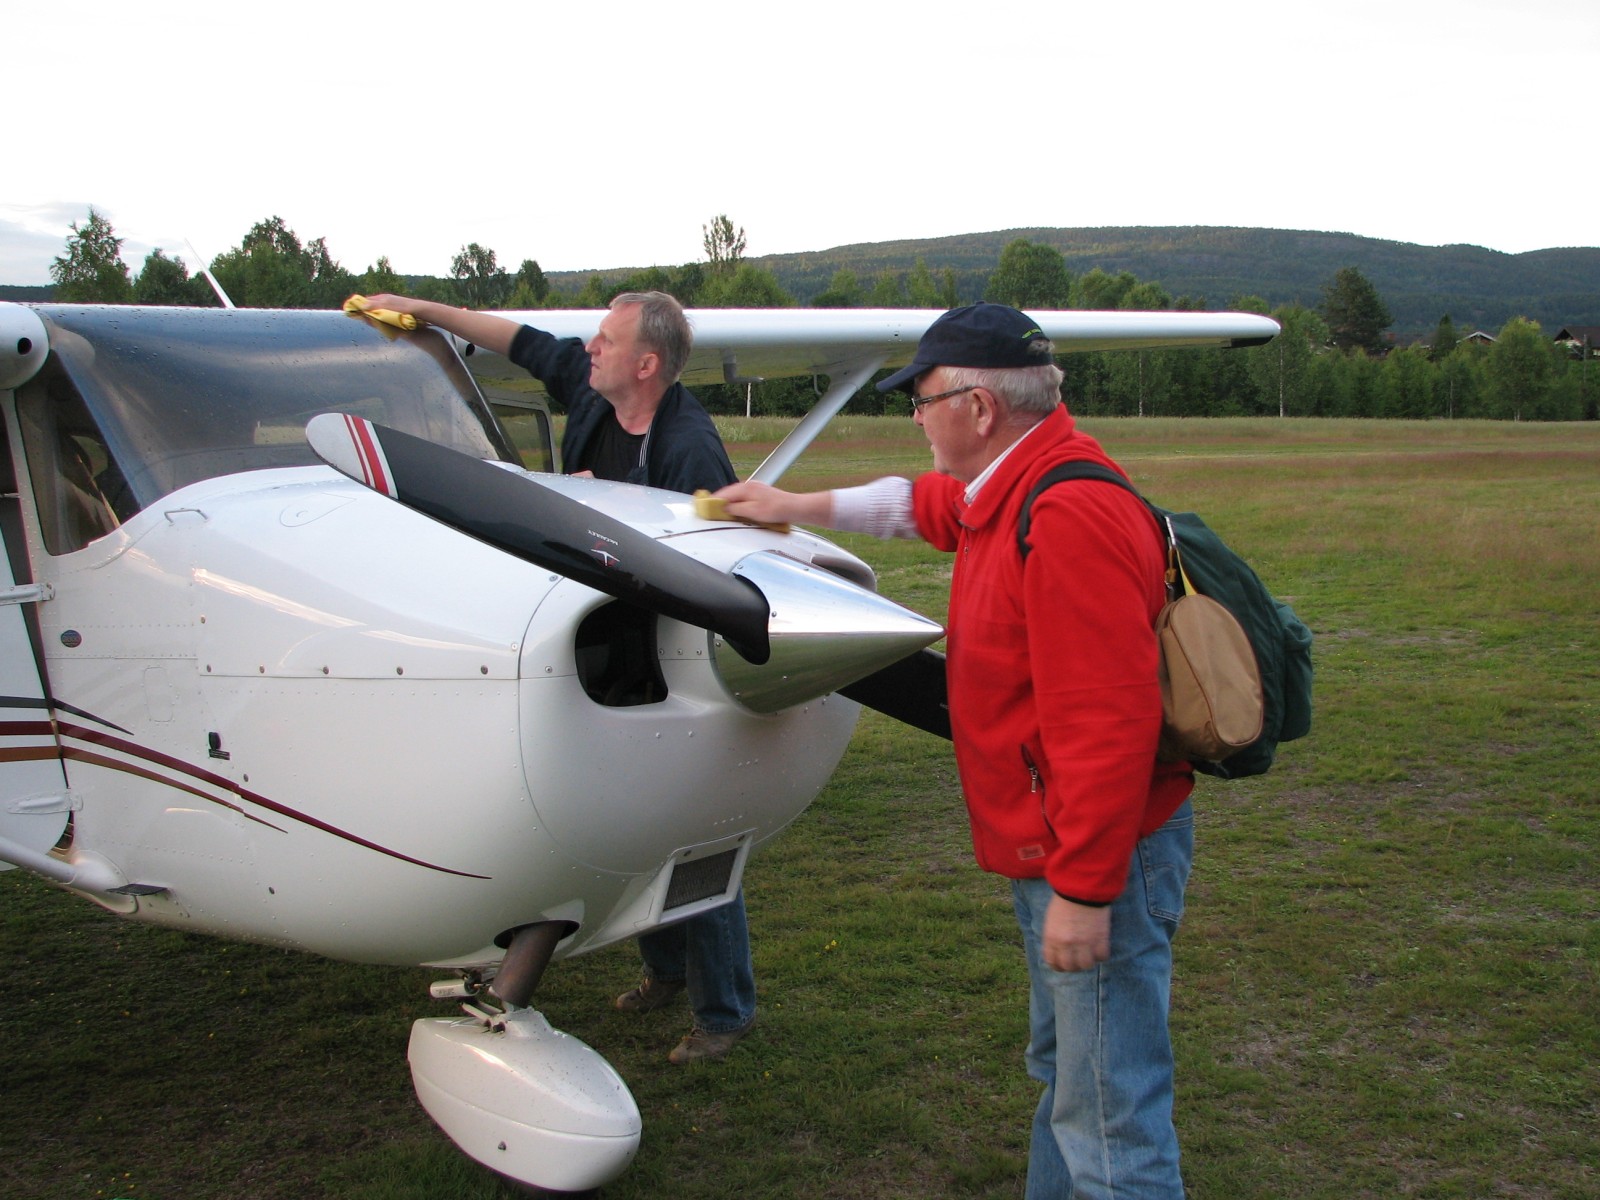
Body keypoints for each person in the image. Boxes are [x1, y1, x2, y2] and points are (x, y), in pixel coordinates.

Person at [715, 303, 1195, 1198]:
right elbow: (926, 505)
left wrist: (1086, 891)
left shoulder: (1069, 513)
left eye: (923, 401)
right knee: (1070, 1082)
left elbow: (1108, 723)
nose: (916, 418)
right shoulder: (1015, 482)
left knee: (1110, 1120)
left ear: (978, 408)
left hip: (1097, 855)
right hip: (1060, 846)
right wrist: (791, 507)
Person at [358, 290, 758, 1065]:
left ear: (647, 365)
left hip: (672, 661)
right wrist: (418, 308)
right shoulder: (592, 390)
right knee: (637, 823)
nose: (589, 348)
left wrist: (598, 511)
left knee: (690, 833)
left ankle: (725, 1012)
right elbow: (517, 339)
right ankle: (667, 972)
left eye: (606, 339)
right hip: (599, 642)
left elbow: (712, 568)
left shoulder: (691, 452)